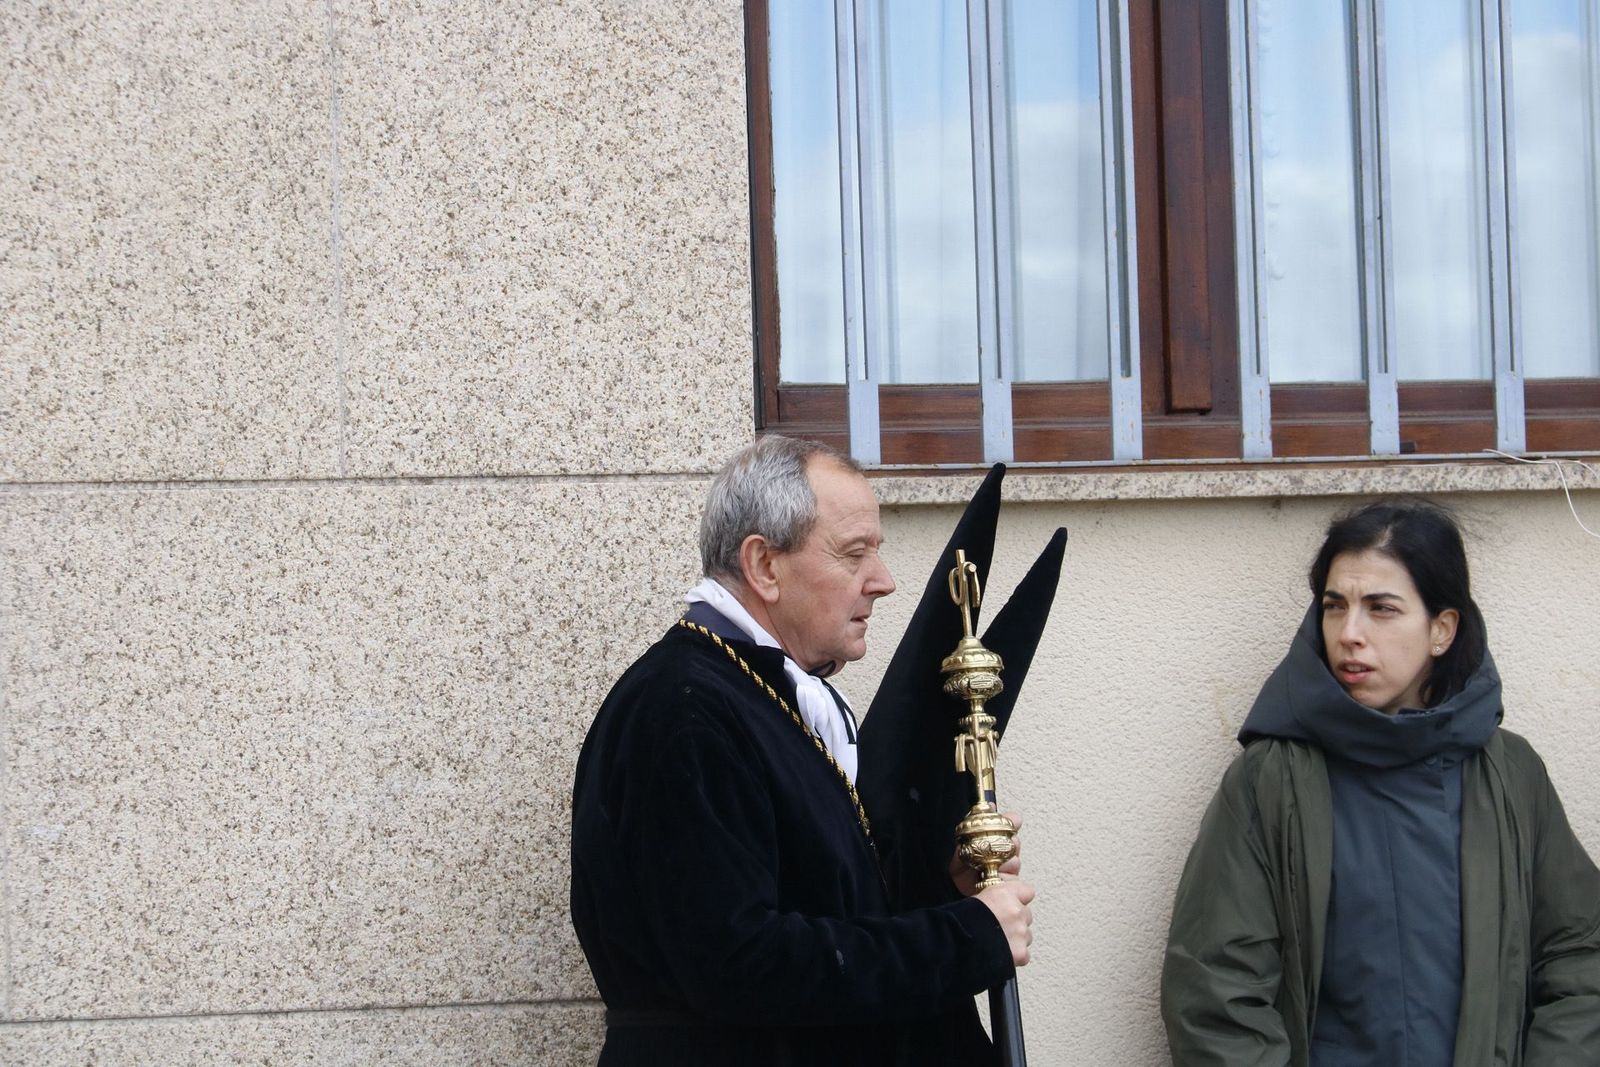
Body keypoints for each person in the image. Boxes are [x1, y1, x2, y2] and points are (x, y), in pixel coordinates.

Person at [570, 435, 1035, 1066]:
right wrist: (964, 938)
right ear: (763, 565)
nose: (884, 582)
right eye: (854, 555)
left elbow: (824, 910)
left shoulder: (762, 694)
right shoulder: (683, 710)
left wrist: (943, 888)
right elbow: (739, 962)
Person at [1161, 496, 1600, 1066]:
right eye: (1335, 605)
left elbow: (1581, 954)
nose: (1350, 633)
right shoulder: (1273, 780)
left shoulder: (1510, 775)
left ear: (1441, 629)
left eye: (1382, 608)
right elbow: (1214, 989)